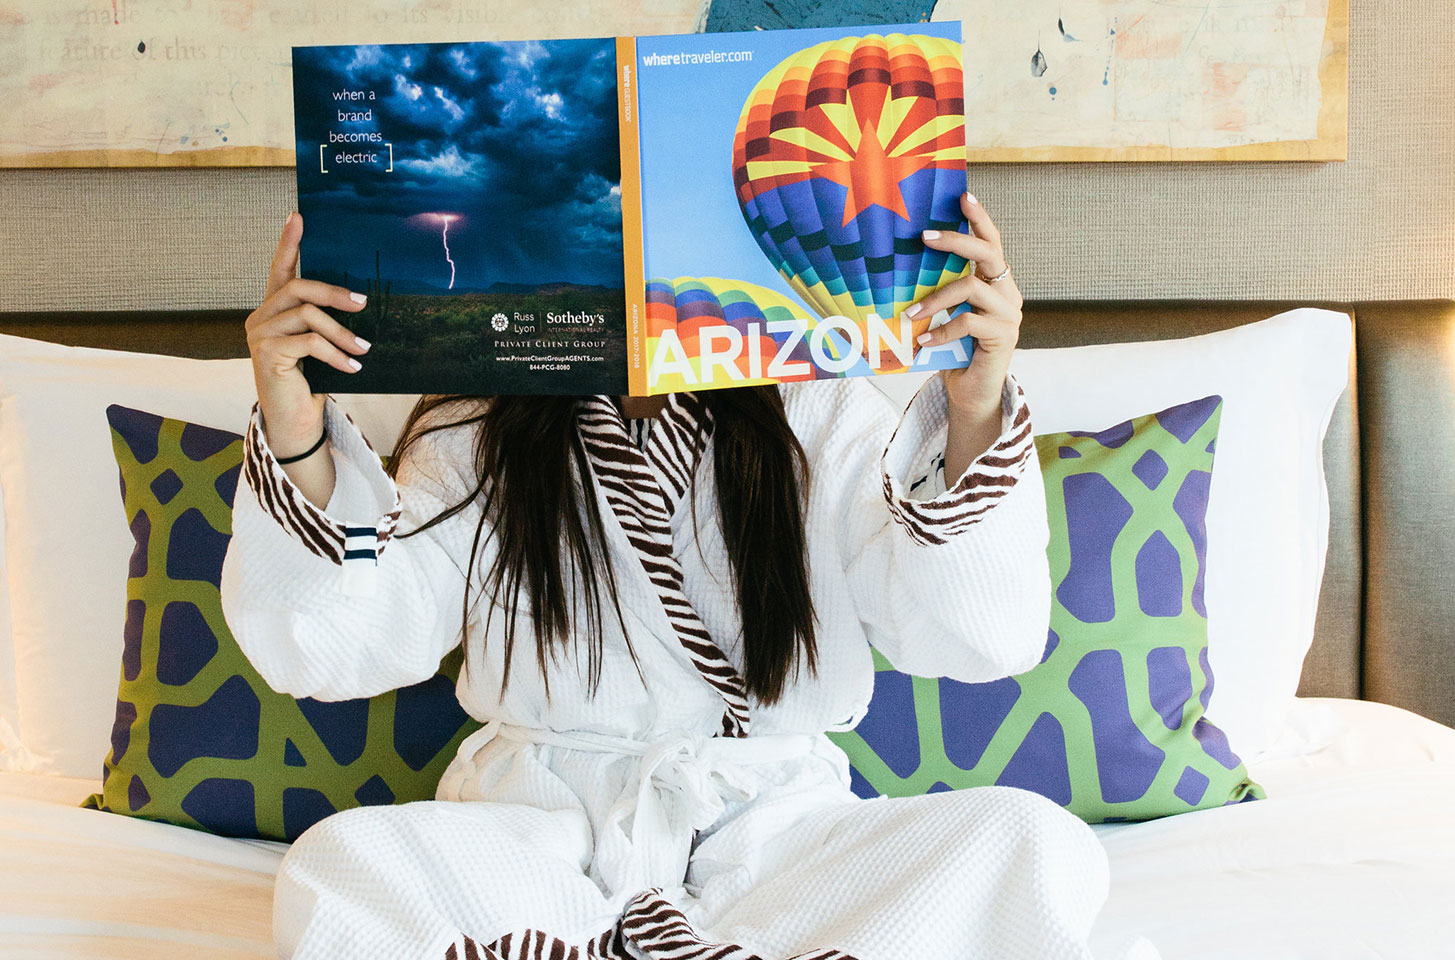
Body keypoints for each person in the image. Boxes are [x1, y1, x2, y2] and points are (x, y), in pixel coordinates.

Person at [221, 193, 1124, 960]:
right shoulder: (481, 415)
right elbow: (334, 646)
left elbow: (977, 633)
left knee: (1032, 844)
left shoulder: (821, 398)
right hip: (541, 839)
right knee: (337, 869)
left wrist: (973, 405)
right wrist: (292, 420)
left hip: (774, 842)